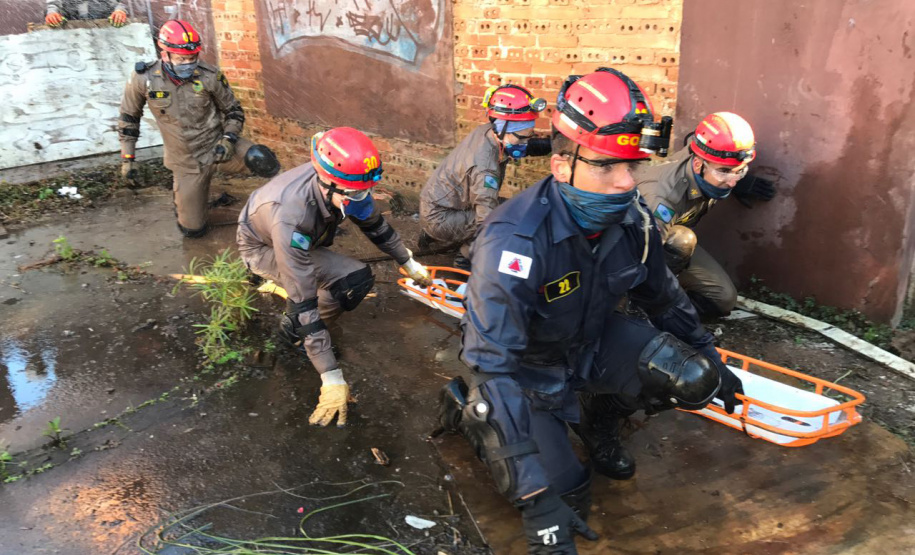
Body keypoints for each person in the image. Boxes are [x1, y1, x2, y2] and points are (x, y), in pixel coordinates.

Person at [436, 68, 743, 554]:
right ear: (562, 166)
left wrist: (711, 356)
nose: (625, 183)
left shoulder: (632, 220)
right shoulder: (513, 242)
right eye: (605, 166)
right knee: (567, 493)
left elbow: (662, 297)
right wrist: (534, 496)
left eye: (632, 166)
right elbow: (493, 365)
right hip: (526, 372)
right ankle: (466, 410)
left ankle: (597, 419)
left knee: (692, 375)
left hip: (588, 343)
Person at [237, 127, 432, 428]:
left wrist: (407, 260)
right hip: (262, 246)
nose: (362, 198)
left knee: (350, 279)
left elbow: (375, 226)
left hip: (298, 235)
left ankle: (309, 332)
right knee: (346, 282)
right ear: (327, 183)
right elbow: (303, 300)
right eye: (354, 194)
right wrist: (331, 376)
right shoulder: (292, 216)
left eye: (367, 190)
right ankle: (295, 336)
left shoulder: (346, 185)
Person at [117, 19, 281, 237]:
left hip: (220, 149)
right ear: (164, 54)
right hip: (185, 161)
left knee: (263, 159)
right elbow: (129, 119)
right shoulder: (143, 79)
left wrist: (229, 139)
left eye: (193, 57)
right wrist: (128, 159)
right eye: (182, 58)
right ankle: (187, 203)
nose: (188, 63)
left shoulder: (209, 75)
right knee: (193, 230)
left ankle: (292, 206)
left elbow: (233, 111)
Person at [635, 112, 776, 317]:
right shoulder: (662, 200)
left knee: (722, 298)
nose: (732, 181)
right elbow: (641, 257)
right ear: (699, 164)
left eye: (740, 171)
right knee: (681, 241)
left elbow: (696, 138)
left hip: (671, 243)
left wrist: (734, 177)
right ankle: (649, 311)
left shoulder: (704, 152)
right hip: (637, 248)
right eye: (724, 172)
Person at [419, 84, 551, 269]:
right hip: (439, 217)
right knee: (506, 216)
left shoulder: (488, 132)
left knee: (508, 206)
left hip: (437, 205)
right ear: (501, 129)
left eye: (529, 136)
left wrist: (552, 145)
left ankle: (438, 232)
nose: (525, 143)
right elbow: (486, 221)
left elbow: (522, 144)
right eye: (521, 138)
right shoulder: (485, 171)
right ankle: (464, 257)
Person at [45, 0, 128, 27]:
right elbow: (54, 6)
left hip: (103, 37)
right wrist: (52, 14)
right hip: (71, 38)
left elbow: (117, 5)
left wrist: (119, 11)